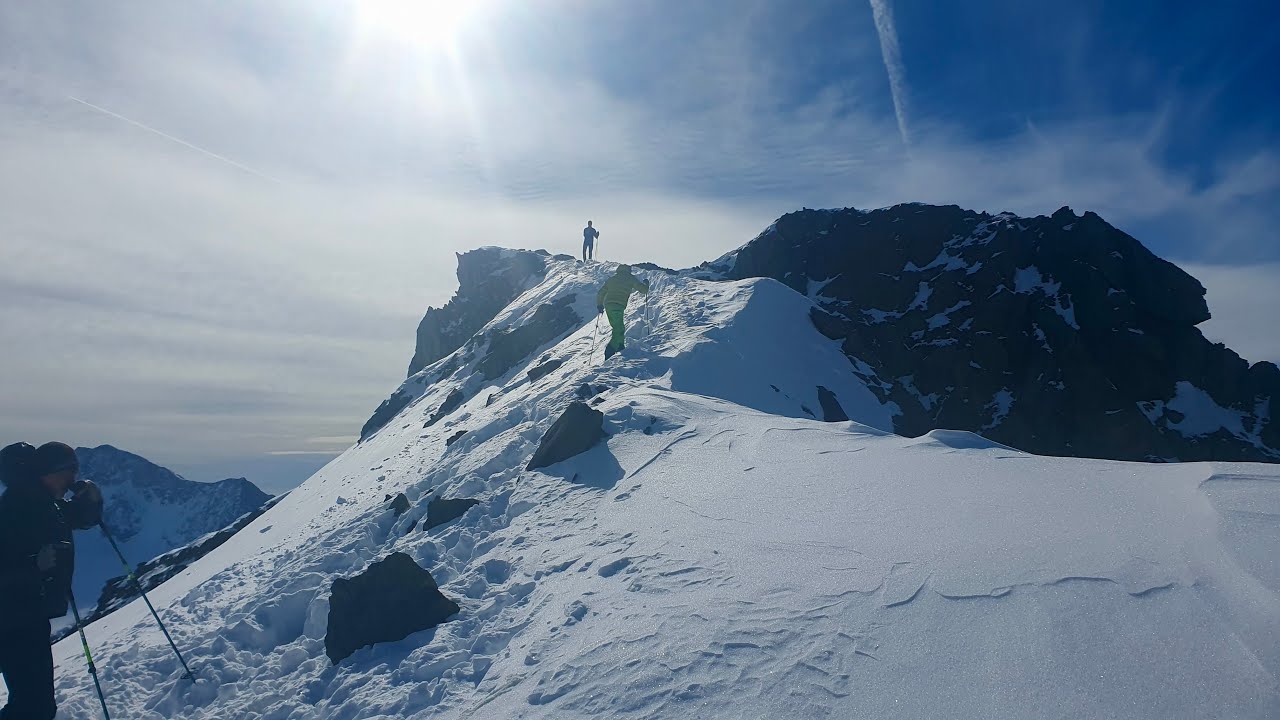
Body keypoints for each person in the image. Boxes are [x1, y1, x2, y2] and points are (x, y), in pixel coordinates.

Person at [0, 441, 103, 720]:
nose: (72, 478)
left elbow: (78, 518)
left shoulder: (44, 504)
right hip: (12, 620)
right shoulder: (16, 509)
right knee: (33, 706)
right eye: (69, 471)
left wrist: (91, 502)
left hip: (28, 615)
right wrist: (33, 566)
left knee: (33, 702)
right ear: (48, 472)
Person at [596, 264, 650, 360]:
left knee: (618, 327)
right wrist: (646, 284)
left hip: (609, 305)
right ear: (628, 270)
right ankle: (611, 349)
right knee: (619, 328)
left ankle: (620, 347)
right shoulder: (630, 278)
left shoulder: (612, 279)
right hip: (619, 305)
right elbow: (643, 290)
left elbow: (601, 292)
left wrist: (600, 305)